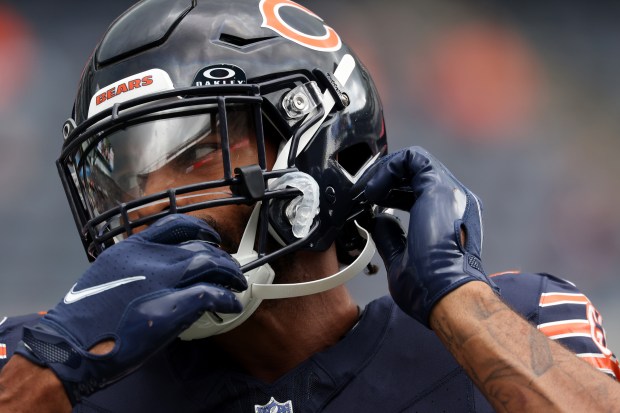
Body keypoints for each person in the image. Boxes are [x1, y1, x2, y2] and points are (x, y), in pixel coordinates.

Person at [0, 0, 619, 412]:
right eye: (122, 180)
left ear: (320, 148)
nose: (142, 207)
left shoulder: (518, 321)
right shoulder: (37, 366)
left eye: (190, 151)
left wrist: (467, 307)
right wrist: (52, 363)